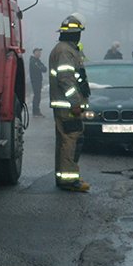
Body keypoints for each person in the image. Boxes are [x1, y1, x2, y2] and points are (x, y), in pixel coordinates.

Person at [49, 15, 90, 192]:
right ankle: (69, 180)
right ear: (75, 34)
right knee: (71, 141)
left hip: (64, 105)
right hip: (68, 106)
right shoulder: (65, 51)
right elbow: (66, 79)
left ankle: (62, 176)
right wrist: (75, 102)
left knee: (64, 140)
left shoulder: (65, 49)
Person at [28, 47, 46, 117]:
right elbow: (41, 68)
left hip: (38, 80)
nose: (39, 54)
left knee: (38, 96)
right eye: (38, 52)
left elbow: (44, 69)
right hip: (35, 81)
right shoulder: (33, 61)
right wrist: (41, 67)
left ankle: (36, 111)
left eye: (40, 52)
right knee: (37, 96)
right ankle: (35, 111)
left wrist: (42, 67)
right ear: (34, 53)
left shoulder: (38, 61)